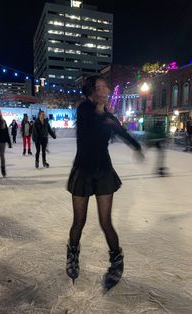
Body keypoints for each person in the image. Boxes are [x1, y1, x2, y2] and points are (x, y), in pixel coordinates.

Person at [66, 75, 144, 290]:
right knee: (79, 221)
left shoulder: (108, 117)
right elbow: (88, 131)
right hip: (83, 170)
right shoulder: (84, 110)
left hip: (103, 172)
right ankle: (72, 254)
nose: (105, 90)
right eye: (99, 87)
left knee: (105, 221)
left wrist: (136, 147)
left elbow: (122, 132)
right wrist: (100, 111)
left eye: (105, 87)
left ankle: (116, 260)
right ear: (91, 92)